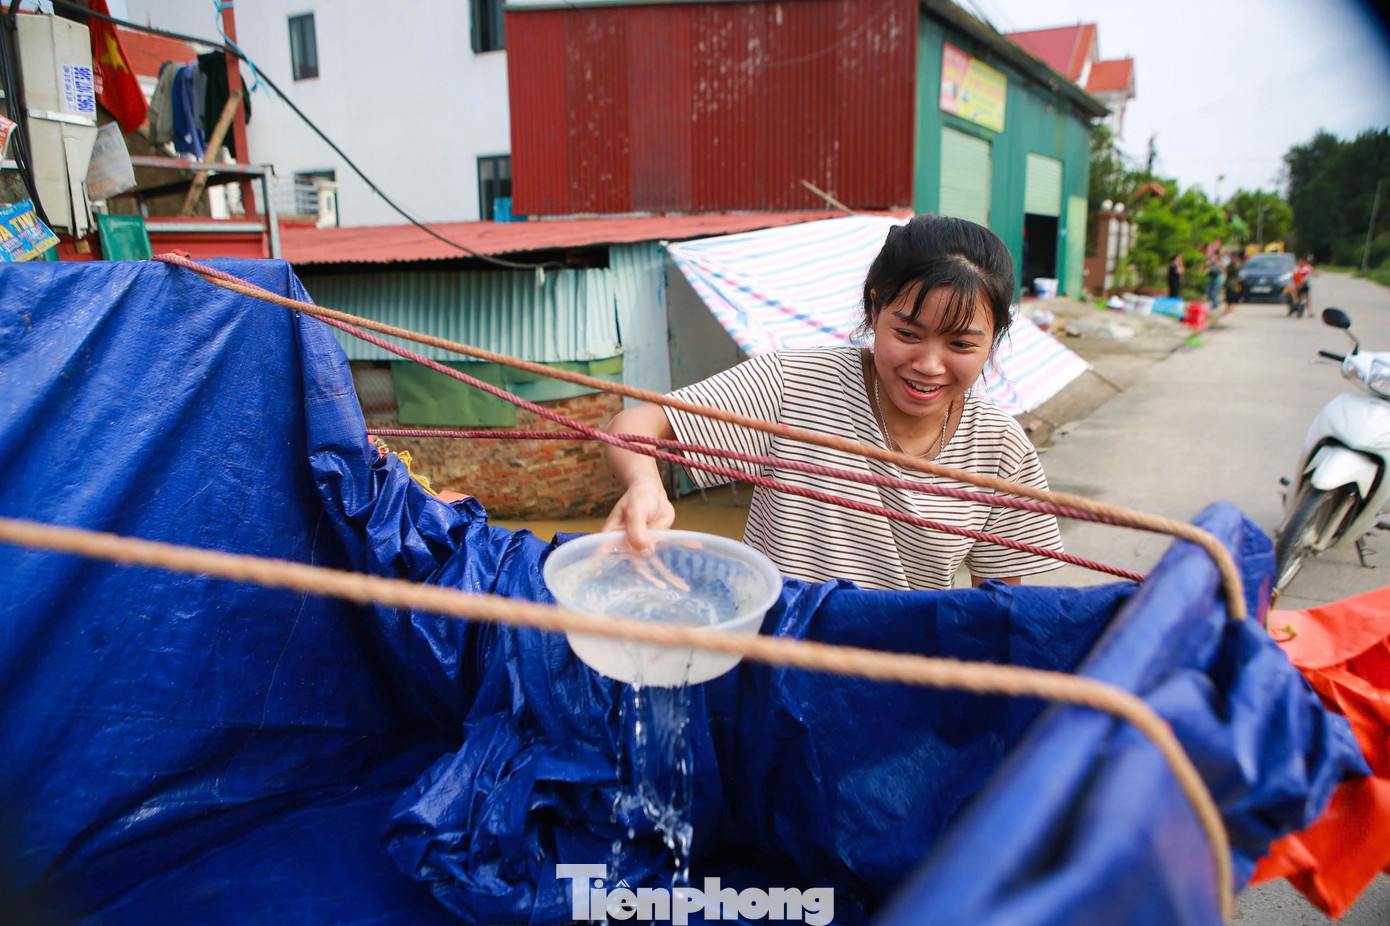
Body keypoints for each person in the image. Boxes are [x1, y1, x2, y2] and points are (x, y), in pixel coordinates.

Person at [600, 214, 1065, 592]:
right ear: (874, 309)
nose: (929, 364)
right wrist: (644, 484)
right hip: (777, 662)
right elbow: (637, 421)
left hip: (898, 680)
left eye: (961, 345)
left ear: (995, 341)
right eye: (907, 334)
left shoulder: (1001, 448)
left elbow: (1000, 606)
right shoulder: (793, 384)